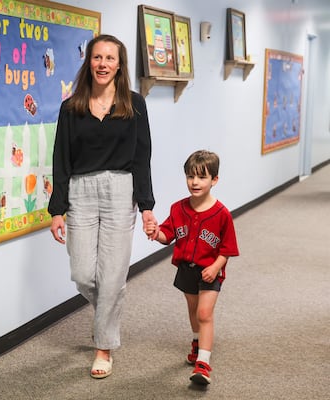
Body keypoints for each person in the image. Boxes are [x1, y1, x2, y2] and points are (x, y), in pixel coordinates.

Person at [48, 34, 158, 379]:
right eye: (97, 57)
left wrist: (147, 207)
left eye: (110, 58)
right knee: (82, 273)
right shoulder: (71, 107)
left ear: (120, 64)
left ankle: (103, 348)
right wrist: (56, 210)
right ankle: (107, 316)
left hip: (119, 190)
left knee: (112, 276)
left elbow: (143, 158)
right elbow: (60, 160)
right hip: (81, 190)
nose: (103, 64)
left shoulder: (134, 104)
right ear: (89, 62)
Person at [145, 150, 239, 385]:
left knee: (205, 313)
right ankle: (197, 341)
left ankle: (203, 363)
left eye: (202, 177)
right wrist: (156, 233)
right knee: (193, 309)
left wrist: (216, 267)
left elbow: (228, 249)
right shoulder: (178, 208)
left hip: (211, 270)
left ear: (214, 180)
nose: (195, 182)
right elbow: (169, 235)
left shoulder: (222, 214)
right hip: (186, 268)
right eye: (190, 176)